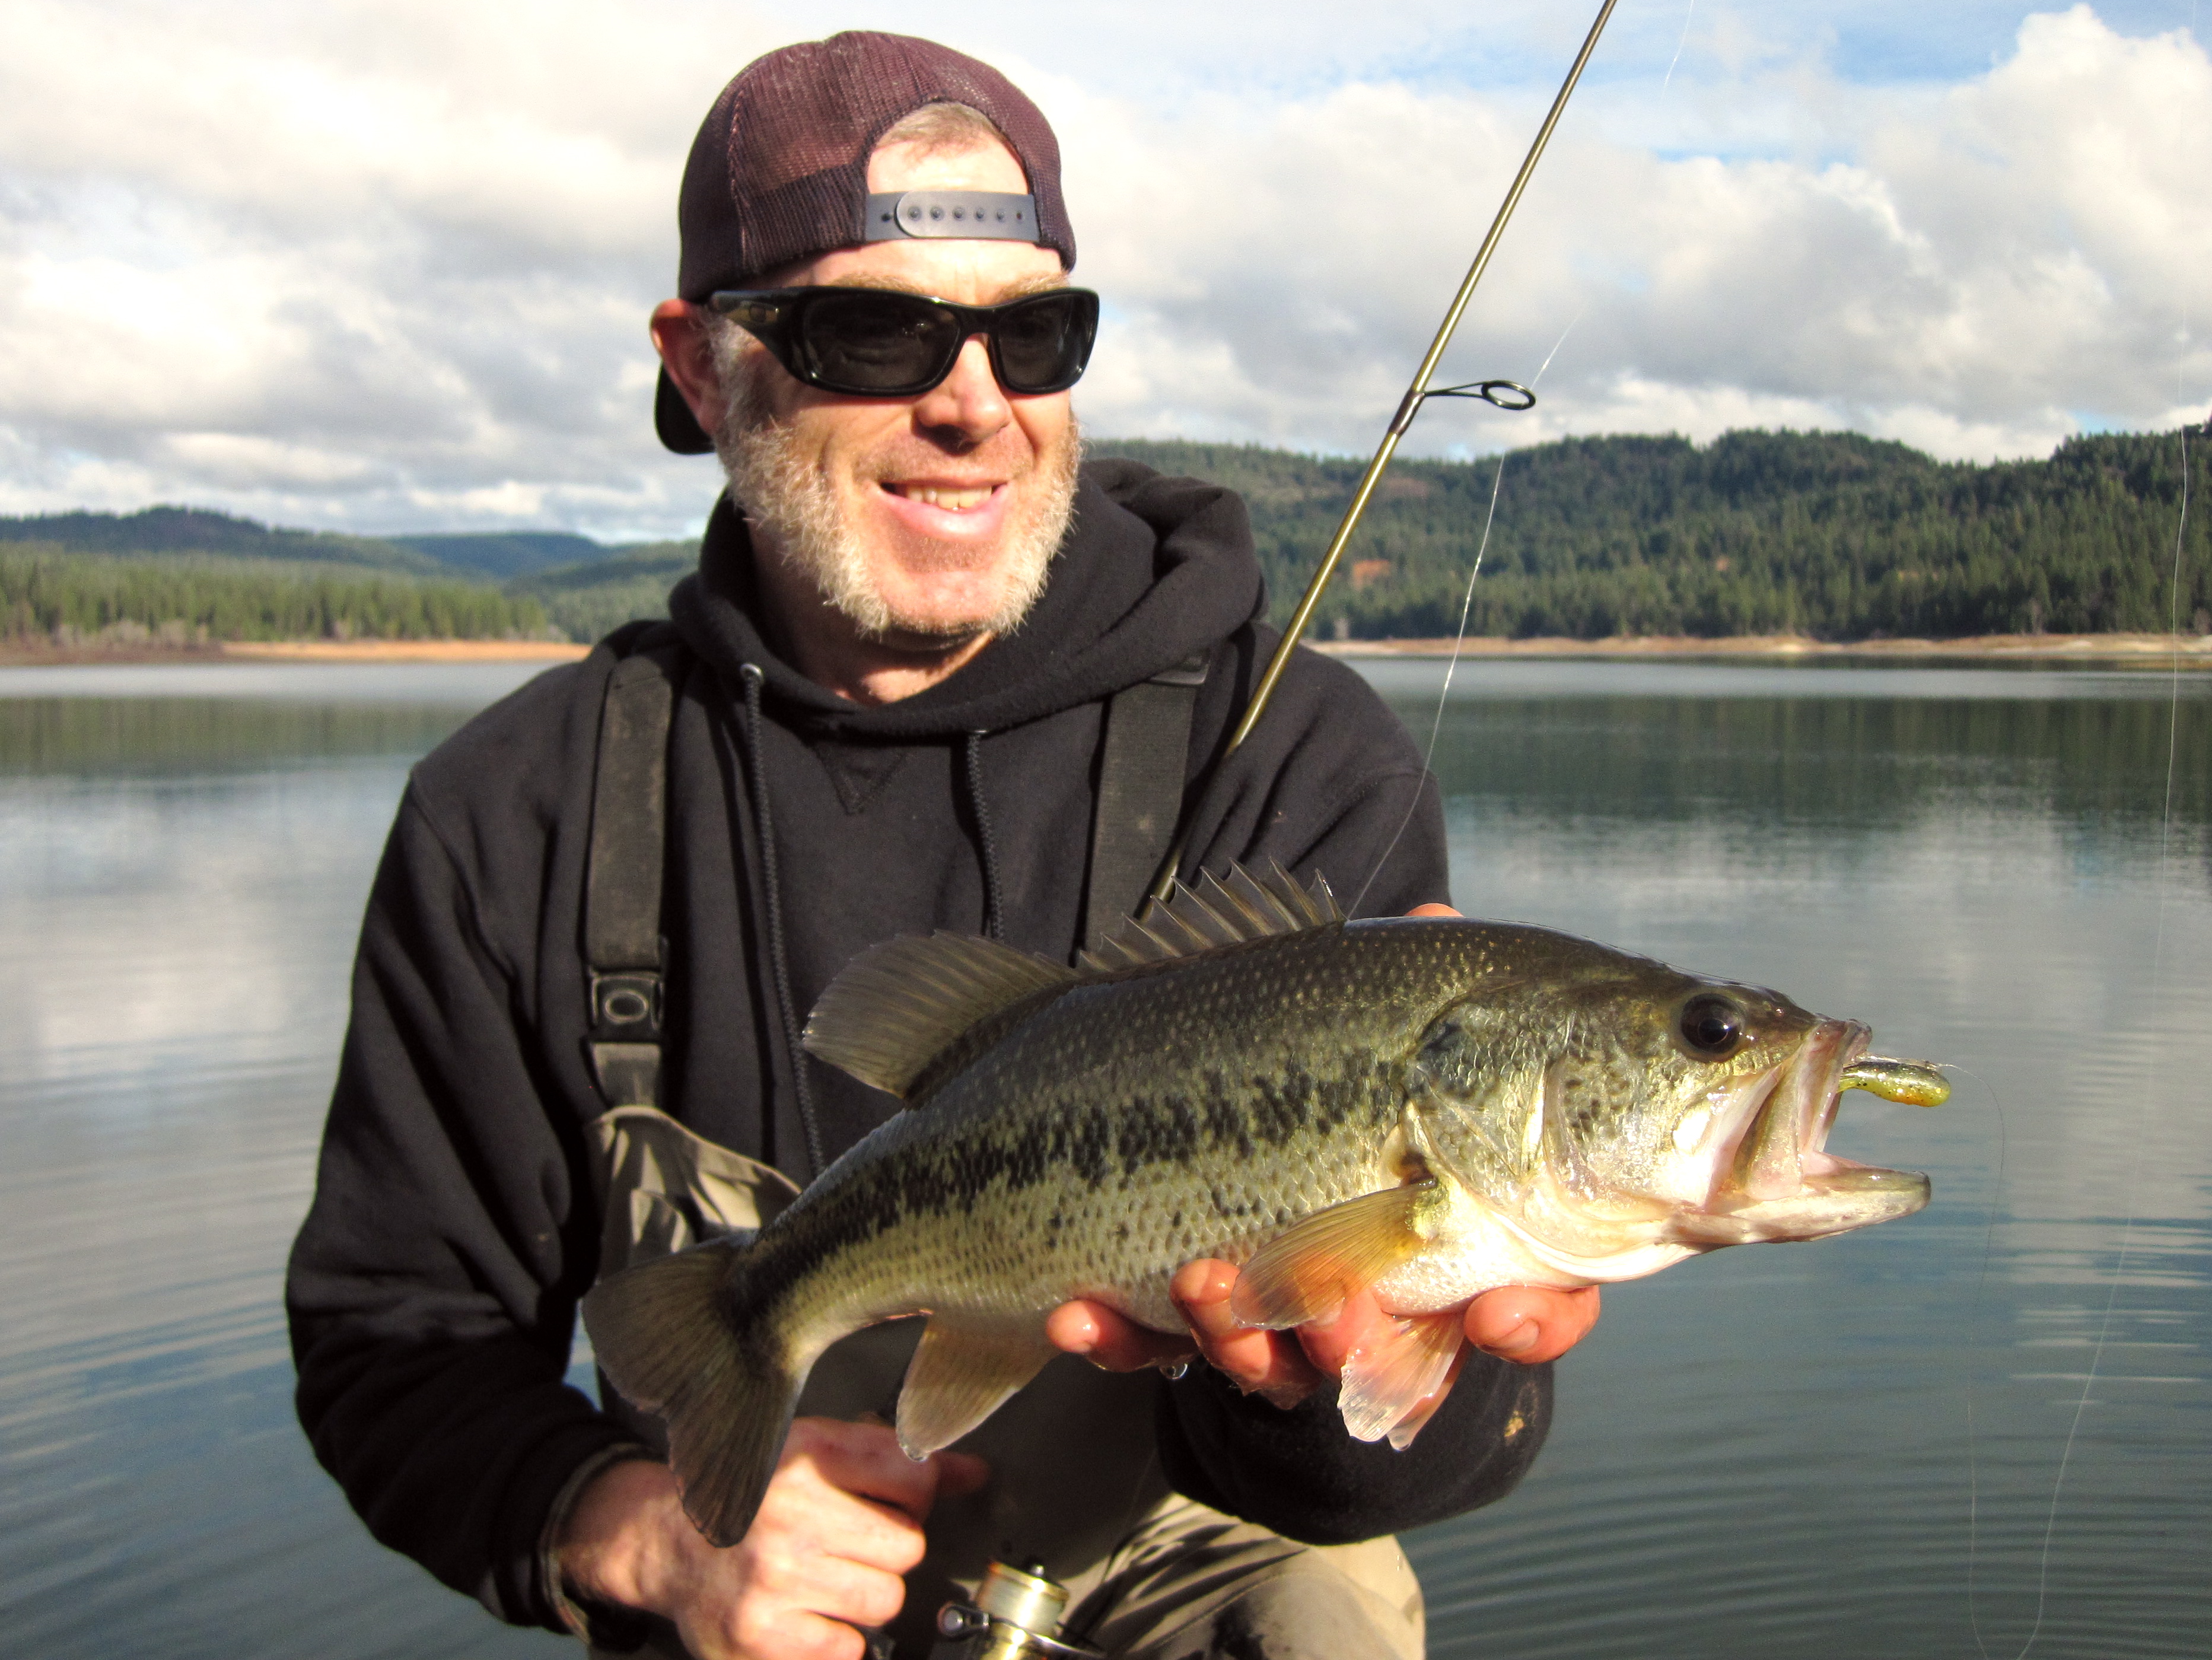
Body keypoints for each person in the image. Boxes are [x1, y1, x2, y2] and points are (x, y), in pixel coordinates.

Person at [287, 31, 1600, 1660]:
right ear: (701, 369)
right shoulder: (519, 810)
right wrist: (626, 1527)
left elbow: (1390, 1463)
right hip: (745, 1573)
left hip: (1181, 1539)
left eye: (1032, 334)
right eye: (873, 332)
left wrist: (1374, 1378)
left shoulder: (1293, 749)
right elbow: (391, 1338)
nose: (974, 404)